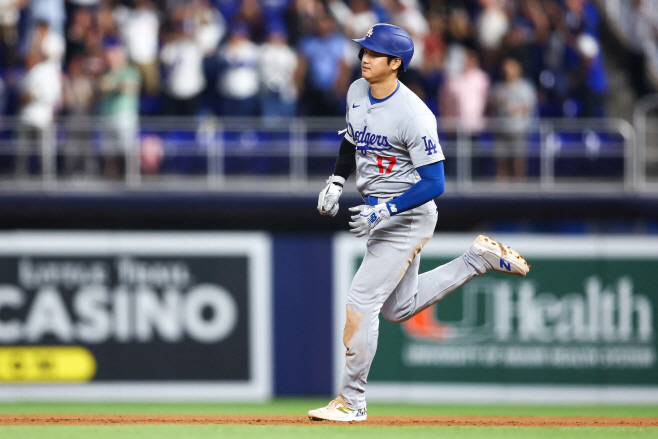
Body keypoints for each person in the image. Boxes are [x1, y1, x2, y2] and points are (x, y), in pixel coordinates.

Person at [310, 24, 531, 422]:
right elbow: (351, 137)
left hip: (407, 215)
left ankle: (352, 402)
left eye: (375, 54)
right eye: (364, 51)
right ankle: (475, 260)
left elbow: (435, 182)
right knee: (399, 308)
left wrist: (384, 210)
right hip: (382, 212)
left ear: (396, 63)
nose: (365, 58)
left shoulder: (414, 114)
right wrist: (337, 179)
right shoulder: (357, 91)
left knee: (361, 302)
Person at [490, 57, 537, 180]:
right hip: (501, 130)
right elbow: (494, 104)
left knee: (518, 161)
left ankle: (520, 193)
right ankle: (500, 193)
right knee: (501, 162)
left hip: (518, 130)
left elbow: (528, 107)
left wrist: (513, 108)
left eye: (510, 67)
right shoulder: (499, 88)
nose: (507, 70)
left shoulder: (526, 88)